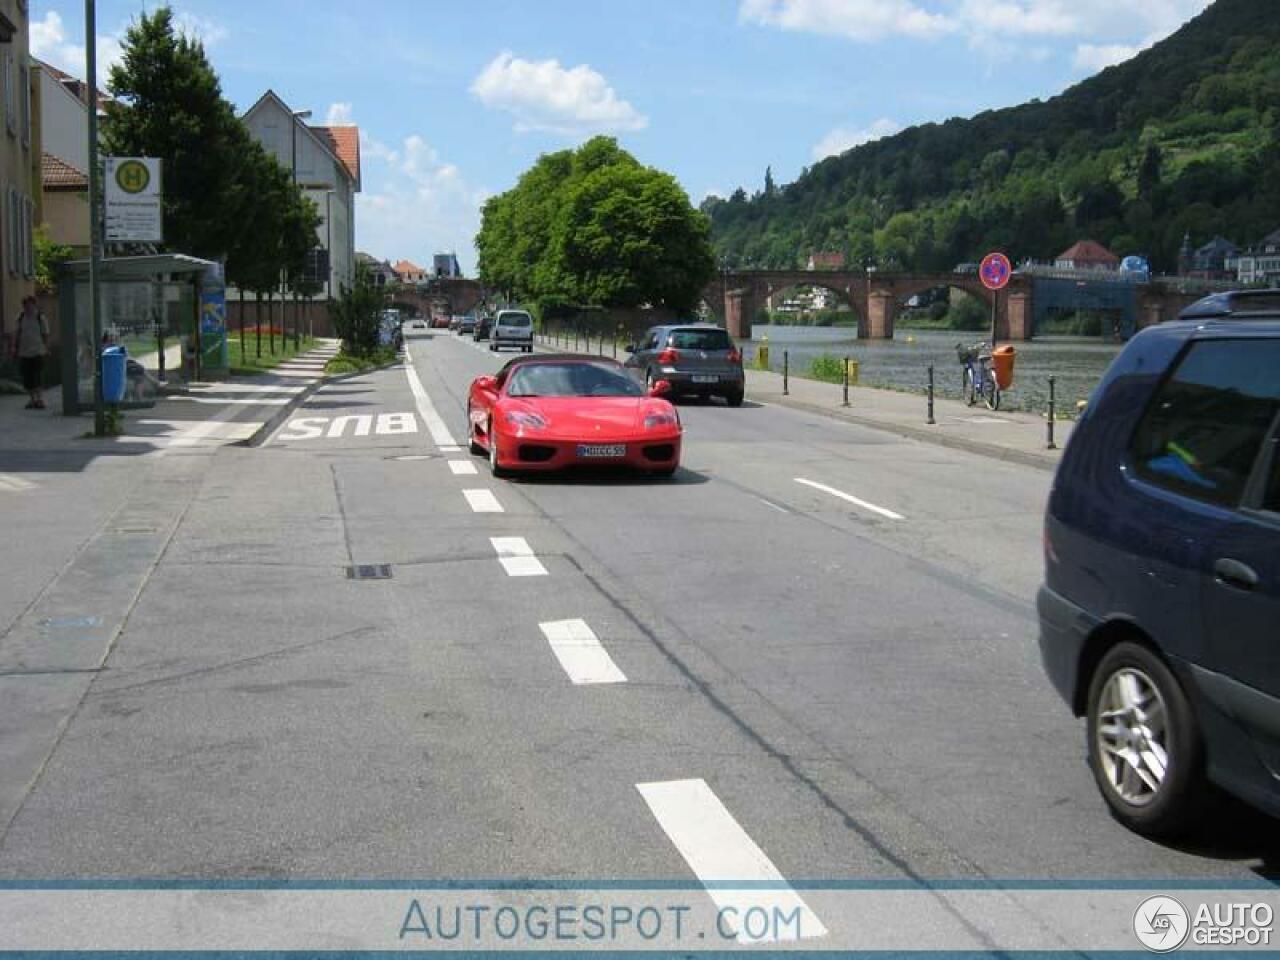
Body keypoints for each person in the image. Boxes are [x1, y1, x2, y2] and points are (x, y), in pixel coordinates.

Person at [13, 295, 49, 410]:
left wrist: (46, 347)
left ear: (34, 304)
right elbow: (17, 333)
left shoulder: (40, 317)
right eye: (25, 305)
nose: (28, 307)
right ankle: (31, 399)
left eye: (30, 304)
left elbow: (45, 334)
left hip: (37, 351)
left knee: (37, 376)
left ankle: (39, 399)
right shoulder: (20, 317)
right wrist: (14, 347)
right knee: (27, 378)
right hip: (24, 352)